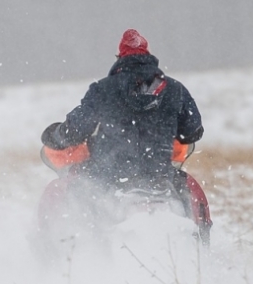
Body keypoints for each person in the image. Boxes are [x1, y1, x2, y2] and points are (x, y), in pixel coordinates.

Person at [38, 29, 210, 241]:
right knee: (188, 192)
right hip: (159, 178)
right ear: (148, 57)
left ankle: (68, 248)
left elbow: (76, 129)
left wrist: (55, 136)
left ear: (120, 58)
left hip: (108, 177)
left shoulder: (103, 90)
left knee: (76, 192)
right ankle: (200, 245)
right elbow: (193, 130)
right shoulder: (175, 90)